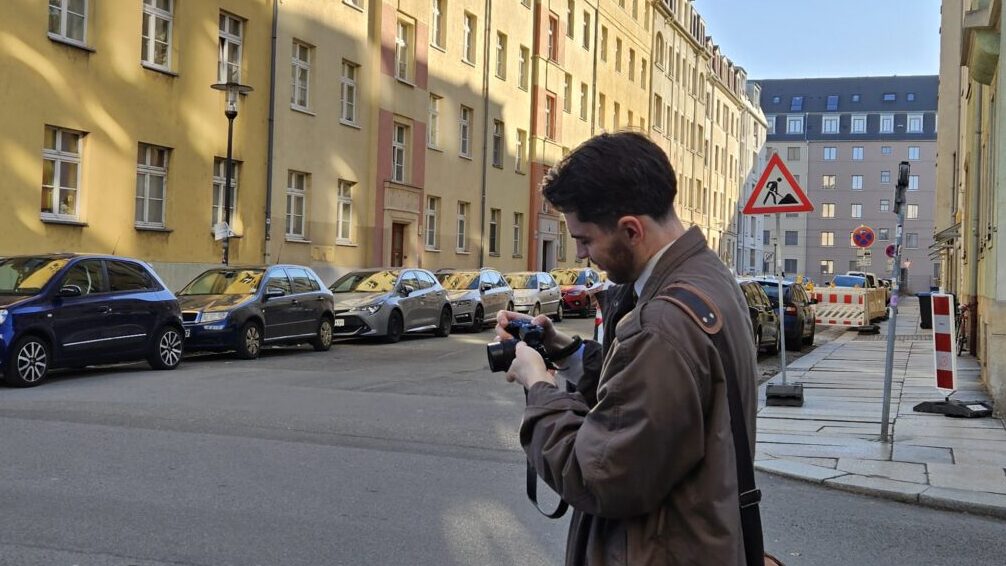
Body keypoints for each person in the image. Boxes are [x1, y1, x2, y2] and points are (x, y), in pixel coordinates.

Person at [496, 132, 760, 565]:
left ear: (631, 230)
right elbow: (646, 408)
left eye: (585, 239)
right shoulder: (707, 276)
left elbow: (596, 475)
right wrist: (565, 352)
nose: (580, 254)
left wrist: (539, 386)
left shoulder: (663, 326)